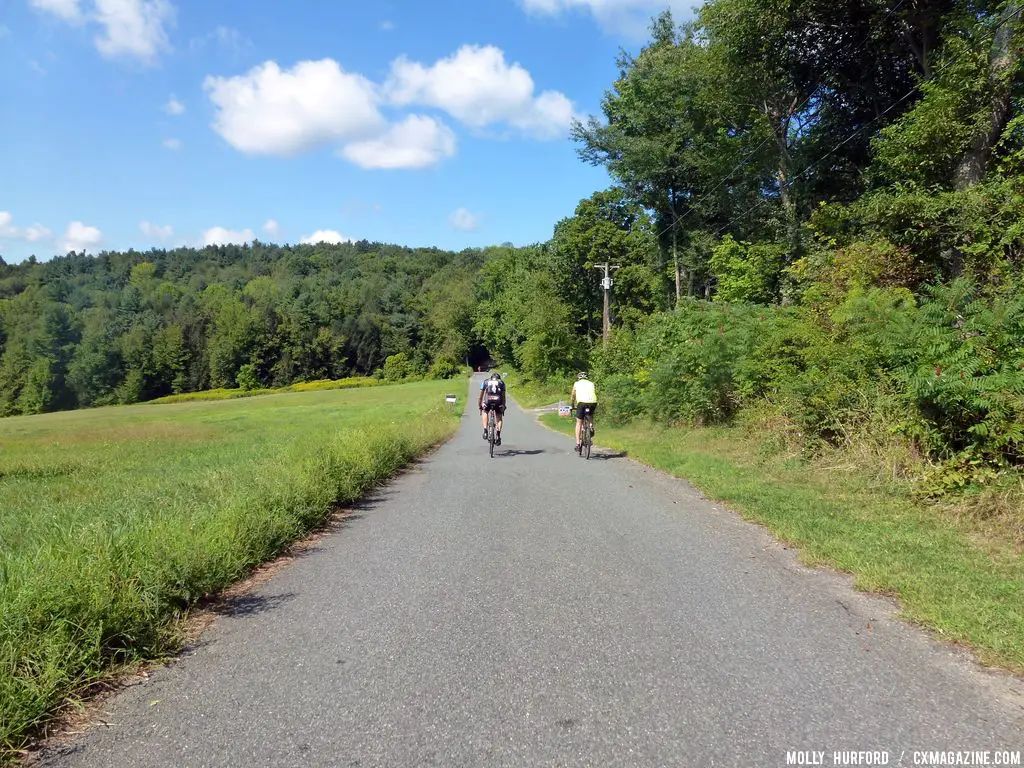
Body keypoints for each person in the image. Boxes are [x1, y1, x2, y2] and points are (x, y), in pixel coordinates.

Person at [569, 371, 597, 453]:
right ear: (587, 377)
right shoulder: (592, 383)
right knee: (590, 415)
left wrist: (572, 405)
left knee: (579, 422)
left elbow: (573, 396)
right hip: (593, 402)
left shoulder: (576, 384)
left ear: (579, 378)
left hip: (581, 403)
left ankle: (578, 444)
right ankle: (591, 426)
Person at [478, 372, 506, 445]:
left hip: (488, 400)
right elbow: (503, 397)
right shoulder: (502, 383)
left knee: (485, 411)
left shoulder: (485, 381)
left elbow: (481, 396)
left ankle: (485, 431)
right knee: (499, 417)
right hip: (498, 401)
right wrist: (503, 406)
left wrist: (480, 405)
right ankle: (498, 435)